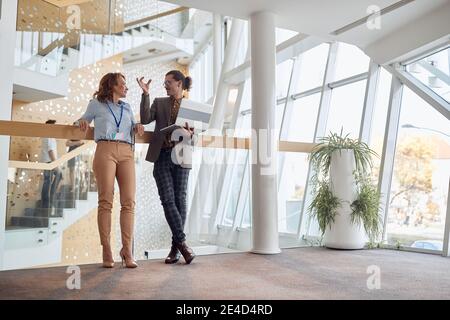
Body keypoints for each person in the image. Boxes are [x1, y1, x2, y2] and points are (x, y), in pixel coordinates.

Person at [77, 72, 145, 268]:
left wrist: (138, 126)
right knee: (106, 200)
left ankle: (127, 250)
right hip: (105, 149)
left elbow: (132, 126)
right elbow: (83, 120)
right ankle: (106, 249)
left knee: (129, 202)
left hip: (126, 151)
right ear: (112, 85)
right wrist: (81, 122)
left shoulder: (127, 107)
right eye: (122, 84)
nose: (126, 87)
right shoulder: (96, 104)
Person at [138, 70, 196, 264]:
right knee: (167, 200)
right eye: (165, 83)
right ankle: (183, 243)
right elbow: (145, 119)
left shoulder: (191, 107)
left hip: (182, 155)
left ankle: (176, 248)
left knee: (180, 199)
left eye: (168, 82)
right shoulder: (159, 102)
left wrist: (191, 135)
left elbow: (196, 134)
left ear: (179, 83)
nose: (166, 86)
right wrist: (145, 94)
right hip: (161, 155)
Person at [40, 119, 62, 214]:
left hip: (47, 161)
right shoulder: (49, 137)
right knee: (57, 175)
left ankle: (48, 199)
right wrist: (56, 164)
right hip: (49, 162)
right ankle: (50, 197)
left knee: (48, 180)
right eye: (54, 126)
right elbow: (50, 151)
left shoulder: (47, 136)